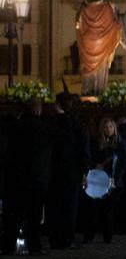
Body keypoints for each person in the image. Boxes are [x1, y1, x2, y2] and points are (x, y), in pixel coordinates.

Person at [1, 99, 53, 255]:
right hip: (37, 179)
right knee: (34, 216)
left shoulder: (14, 127)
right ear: (38, 111)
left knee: (13, 215)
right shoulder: (44, 128)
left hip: (16, 178)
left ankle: (8, 246)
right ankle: (34, 246)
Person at [47, 93, 91, 250]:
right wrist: (84, 171)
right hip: (72, 172)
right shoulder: (78, 125)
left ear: (57, 105)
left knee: (54, 205)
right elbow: (84, 150)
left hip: (54, 171)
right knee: (70, 206)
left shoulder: (52, 123)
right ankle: (67, 238)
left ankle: (55, 238)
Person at [84, 117, 126, 245]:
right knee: (93, 210)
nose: (108, 129)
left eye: (111, 127)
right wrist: (95, 165)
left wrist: (117, 177)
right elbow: (90, 157)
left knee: (108, 210)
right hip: (97, 180)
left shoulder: (119, 143)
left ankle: (108, 237)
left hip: (111, 181)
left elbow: (124, 162)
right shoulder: (96, 143)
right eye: (106, 127)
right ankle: (89, 236)